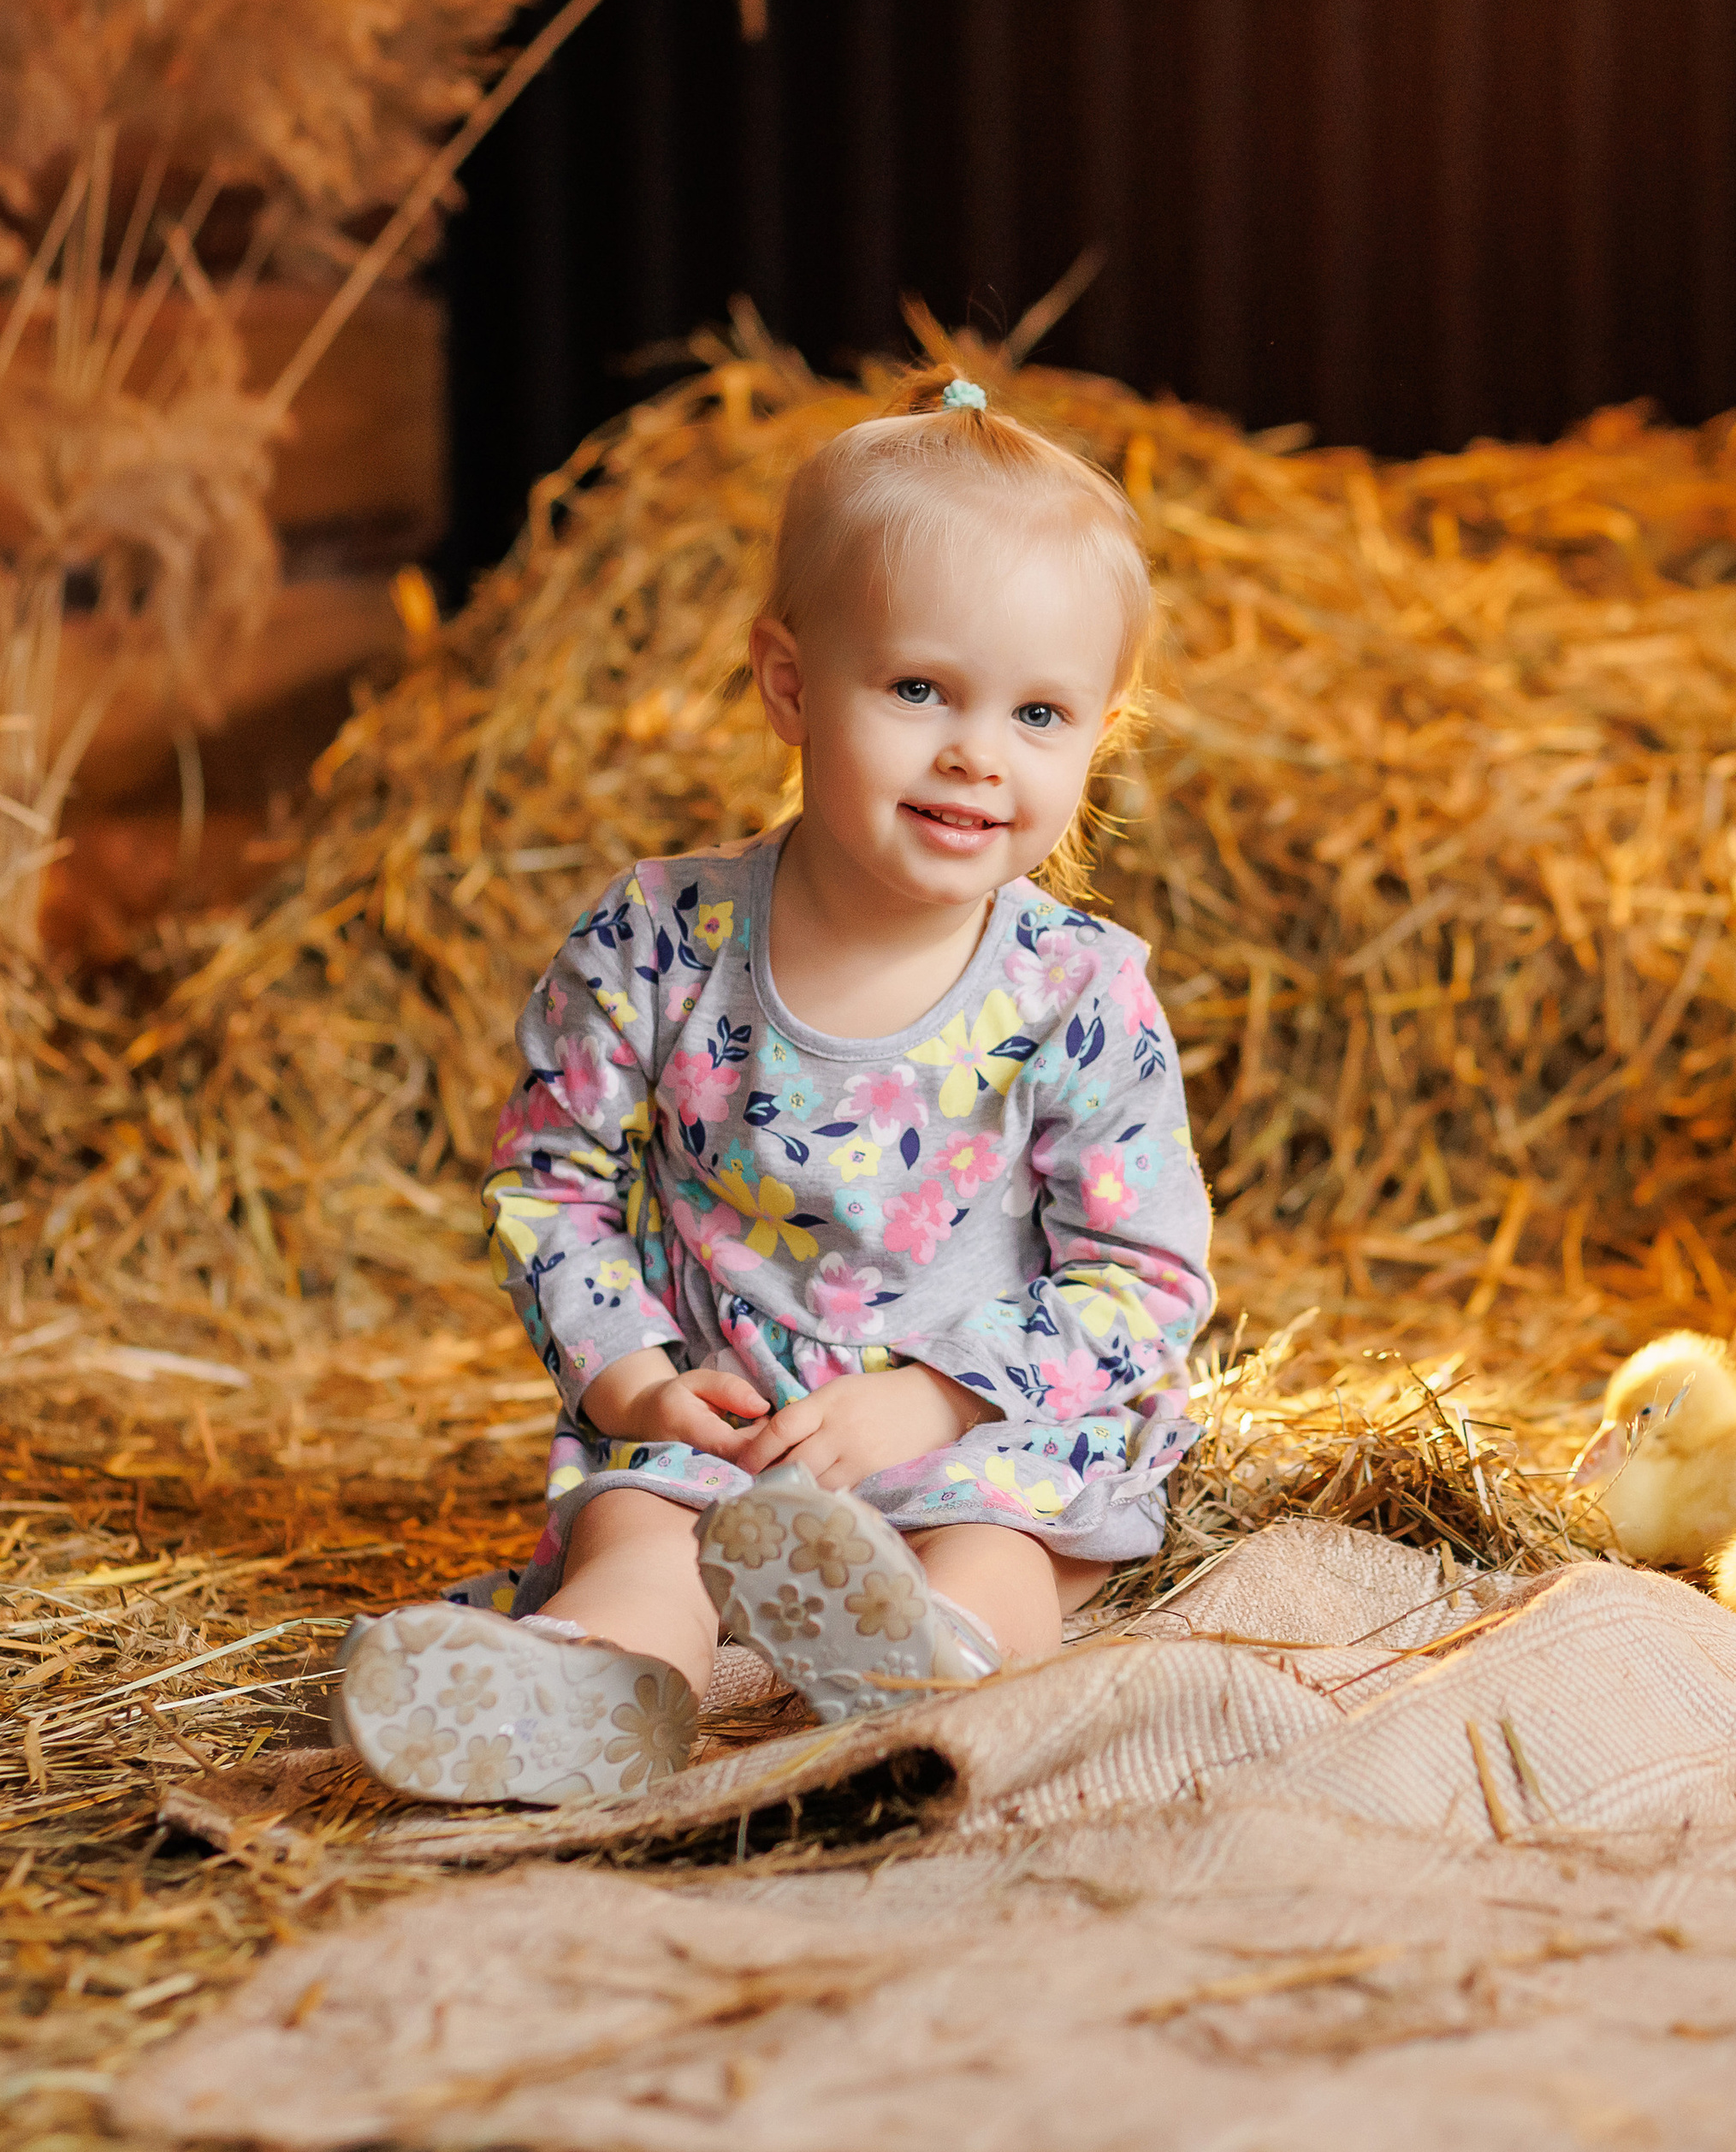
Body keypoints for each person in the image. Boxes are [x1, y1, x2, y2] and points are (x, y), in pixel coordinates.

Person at [332, 371, 1216, 1805]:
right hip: (718, 1427)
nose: (975, 755)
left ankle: (924, 1682)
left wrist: (929, 1403)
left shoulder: (1076, 989)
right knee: (638, 1543)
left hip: (969, 1432)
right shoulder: (660, 938)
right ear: (792, 684)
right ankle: (580, 1701)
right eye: (920, 688)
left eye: (1040, 714)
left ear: (1098, 735)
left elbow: (1146, 1279)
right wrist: (639, 1379)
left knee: (996, 1558)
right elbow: (551, 1185)